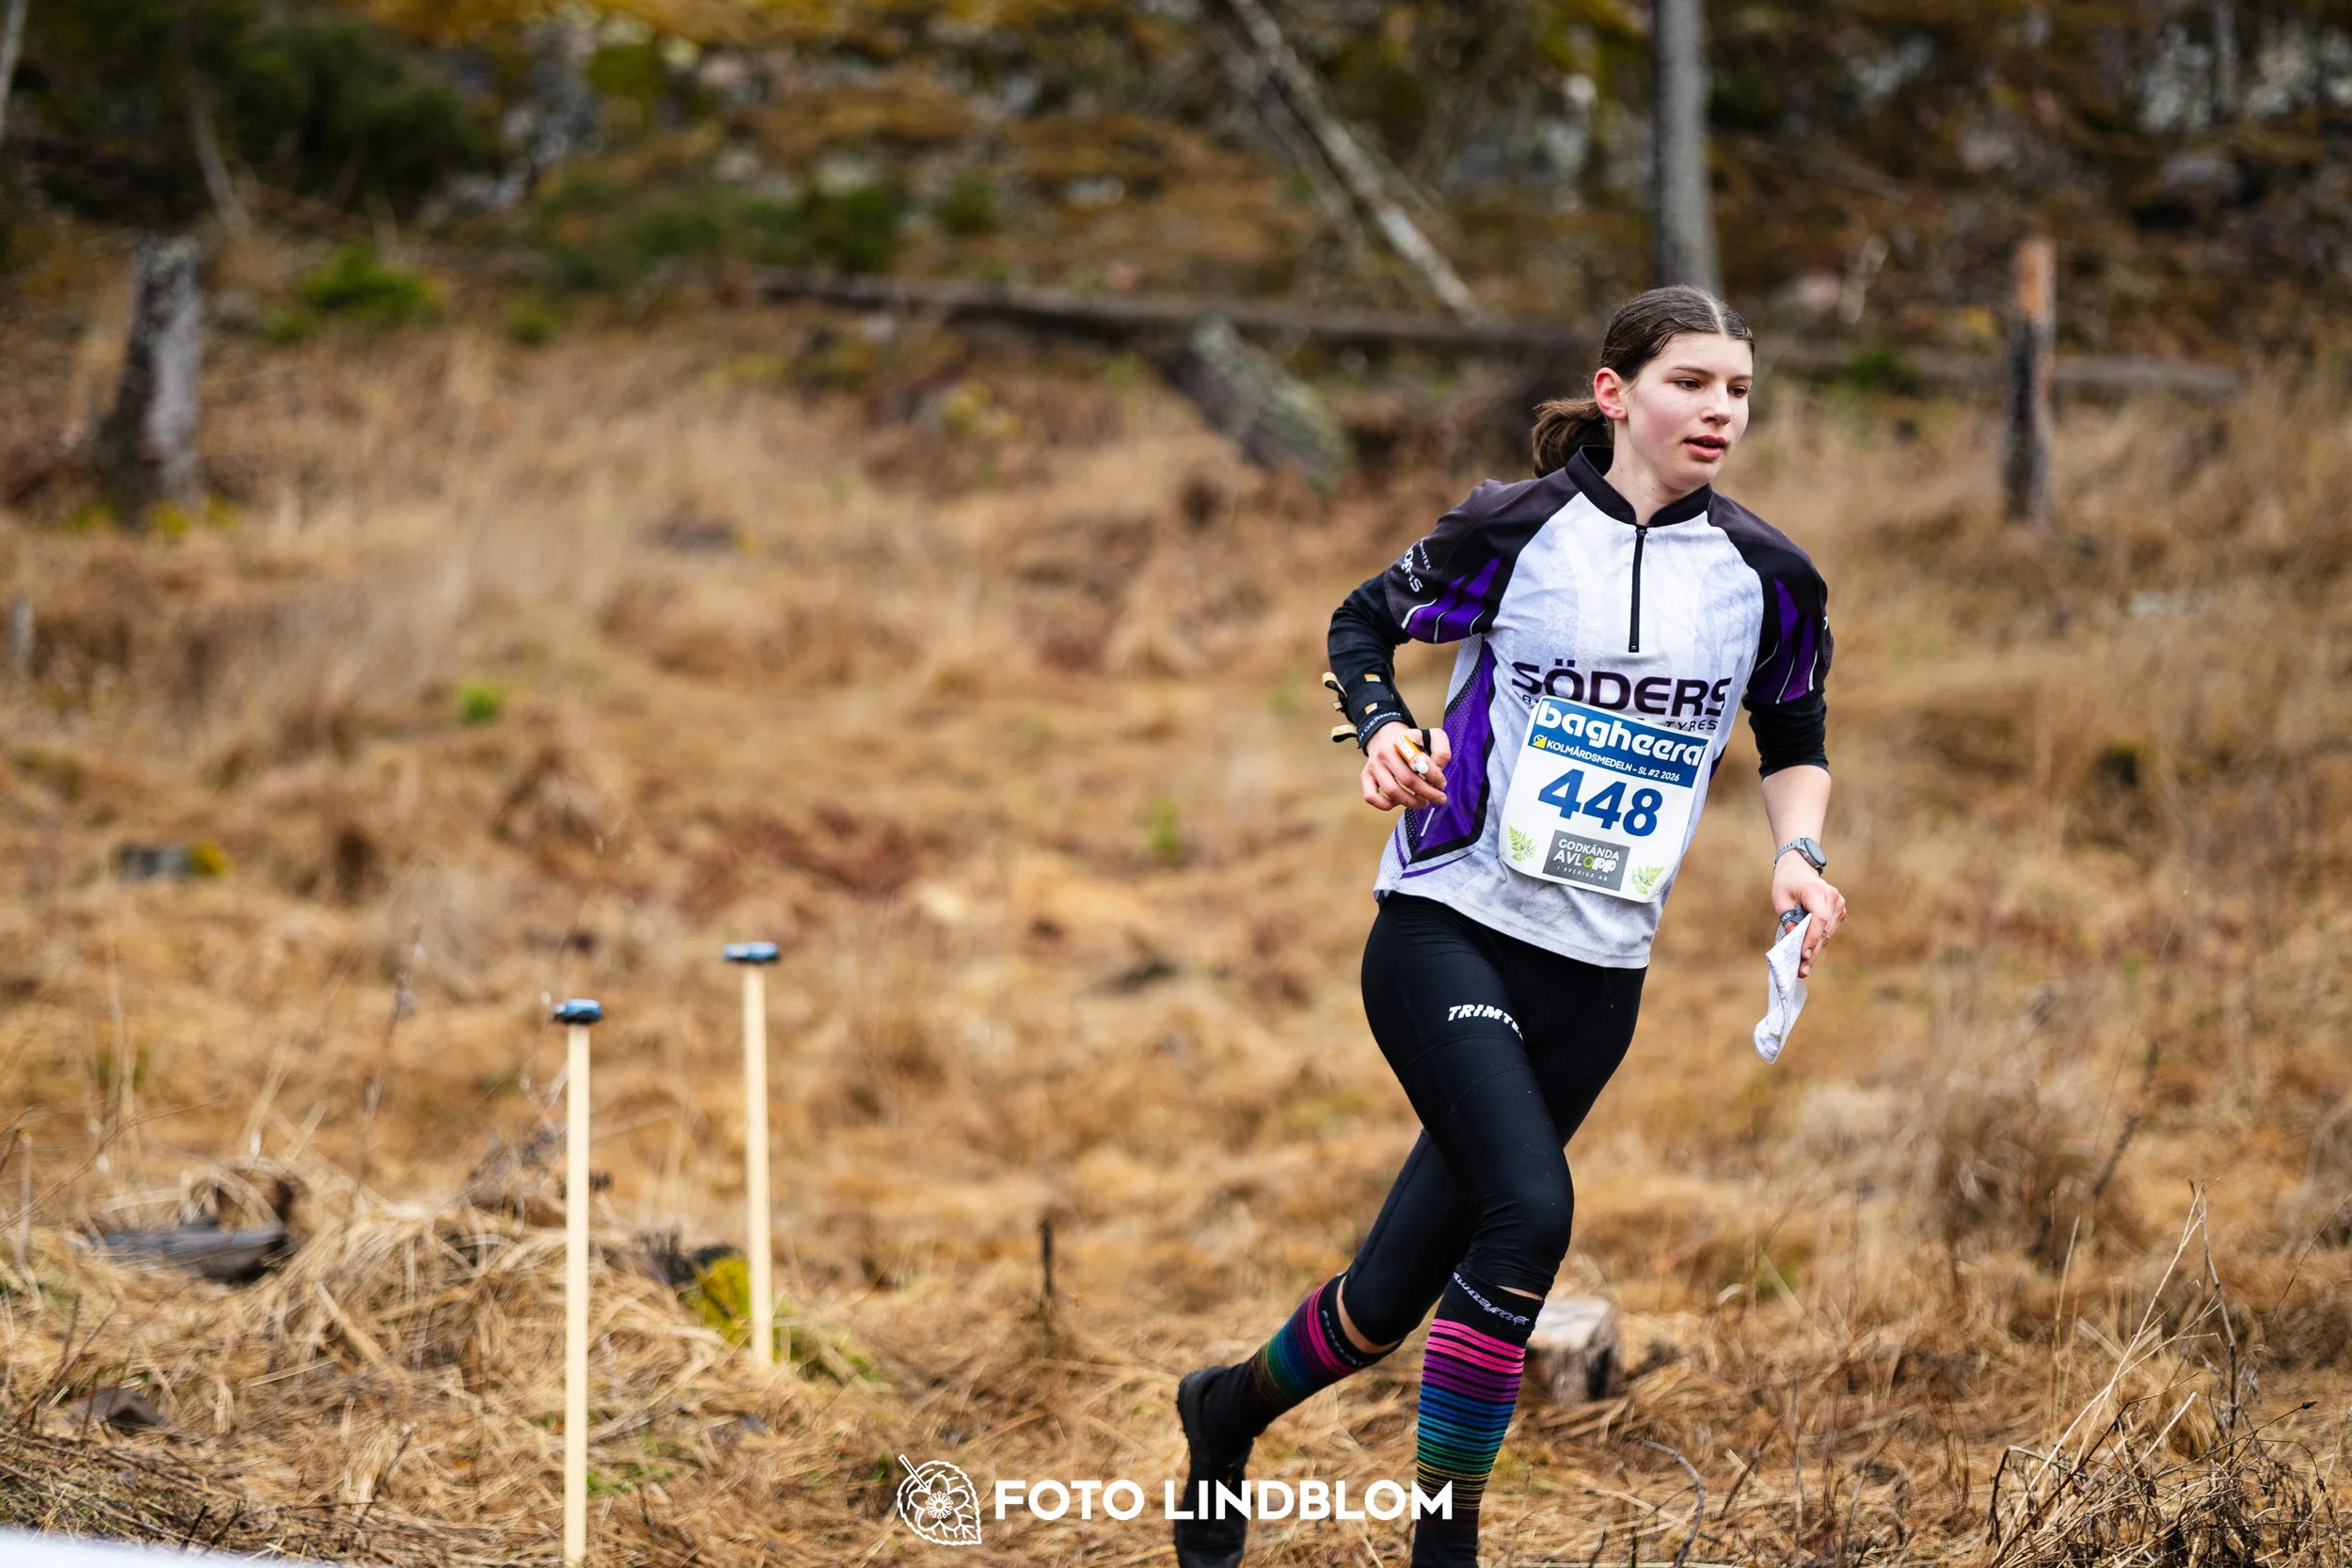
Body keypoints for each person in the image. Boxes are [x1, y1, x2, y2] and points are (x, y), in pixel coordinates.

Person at [1170, 285, 1849, 1568]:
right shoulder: (1518, 526)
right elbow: (1361, 622)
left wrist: (1798, 858)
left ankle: (1226, 1409)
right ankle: (1448, 1550)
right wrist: (1383, 730)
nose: (1719, 410)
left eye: (1739, 390)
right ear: (1615, 394)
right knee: (1530, 1212)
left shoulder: (1768, 574)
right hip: (1452, 920)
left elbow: (1794, 734)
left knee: (1386, 1298)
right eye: (1691, 383)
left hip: (1601, 970)